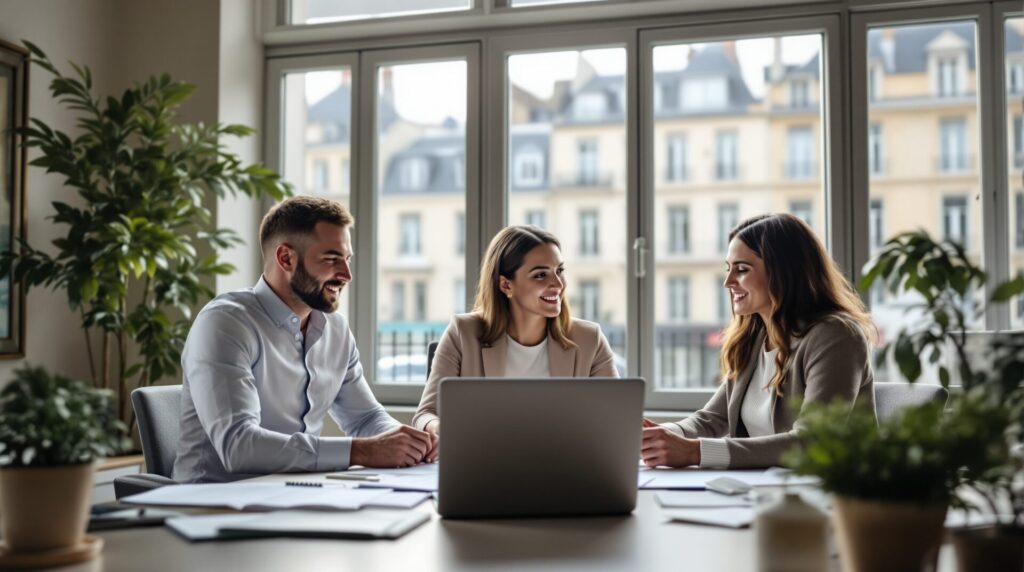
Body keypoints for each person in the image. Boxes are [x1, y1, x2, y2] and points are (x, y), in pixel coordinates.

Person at [173, 196, 433, 483]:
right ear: (286, 258)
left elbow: (365, 419)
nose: (346, 275)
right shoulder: (225, 323)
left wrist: (414, 446)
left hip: (296, 494)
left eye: (347, 259)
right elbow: (238, 444)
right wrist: (361, 452)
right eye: (331, 259)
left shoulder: (335, 329)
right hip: (209, 505)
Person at [641, 213, 876, 470]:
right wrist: (658, 436)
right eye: (728, 269)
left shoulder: (836, 336)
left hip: (834, 497)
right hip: (764, 492)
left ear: (784, 272)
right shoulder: (753, 339)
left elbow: (813, 441)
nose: (728, 282)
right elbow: (711, 419)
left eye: (742, 270)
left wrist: (696, 452)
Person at [412, 225, 619, 457]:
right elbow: (425, 415)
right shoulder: (463, 333)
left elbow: (617, 421)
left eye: (559, 271)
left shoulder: (589, 340)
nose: (558, 285)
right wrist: (443, 429)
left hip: (565, 467)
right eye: (541, 275)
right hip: (484, 465)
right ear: (506, 285)